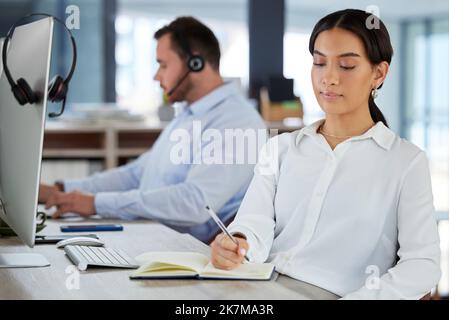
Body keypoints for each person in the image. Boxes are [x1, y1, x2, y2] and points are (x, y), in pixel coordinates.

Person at [210, 9, 441, 299]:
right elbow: (254, 222)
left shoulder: (405, 162)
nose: (328, 78)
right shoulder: (280, 149)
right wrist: (237, 243)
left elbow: (422, 264)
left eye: (346, 66)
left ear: (378, 74)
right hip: (258, 287)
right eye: (319, 63)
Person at [39, 16, 266, 243]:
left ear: (195, 63)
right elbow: (136, 174)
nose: (156, 76)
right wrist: (63, 190)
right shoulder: (189, 114)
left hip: (187, 253)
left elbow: (197, 204)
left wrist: (96, 203)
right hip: (153, 236)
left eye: (163, 65)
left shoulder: (237, 122)